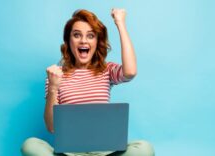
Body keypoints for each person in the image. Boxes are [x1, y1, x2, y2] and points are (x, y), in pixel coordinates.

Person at [21, 9, 155, 156]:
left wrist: (120, 23)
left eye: (90, 36)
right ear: (68, 41)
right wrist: (53, 87)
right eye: (77, 35)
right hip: (69, 153)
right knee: (30, 145)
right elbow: (52, 127)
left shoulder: (106, 70)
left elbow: (130, 72)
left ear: (97, 42)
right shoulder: (56, 75)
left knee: (144, 148)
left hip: (106, 152)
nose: (83, 41)